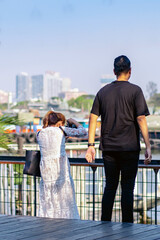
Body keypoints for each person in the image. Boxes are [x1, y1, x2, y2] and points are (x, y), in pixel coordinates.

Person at [85, 55, 152, 223]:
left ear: (114, 71)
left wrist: (91, 145)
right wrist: (148, 146)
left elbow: (93, 118)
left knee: (110, 186)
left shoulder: (103, 92)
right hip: (129, 148)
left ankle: (105, 223)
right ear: (130, 71)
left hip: (109, 149)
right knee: (127, 188)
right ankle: (128, 226)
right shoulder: (135, 91)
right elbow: (141, 119)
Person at [37, 110, 87, 219]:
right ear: (60, 122)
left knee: (49, 196)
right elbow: (83, 132)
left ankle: (49, 219)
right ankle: (66, 219)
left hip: (46, 171)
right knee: (64, 196)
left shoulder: (40, 133)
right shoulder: (61, 130)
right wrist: (74, 121)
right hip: (60, 168)